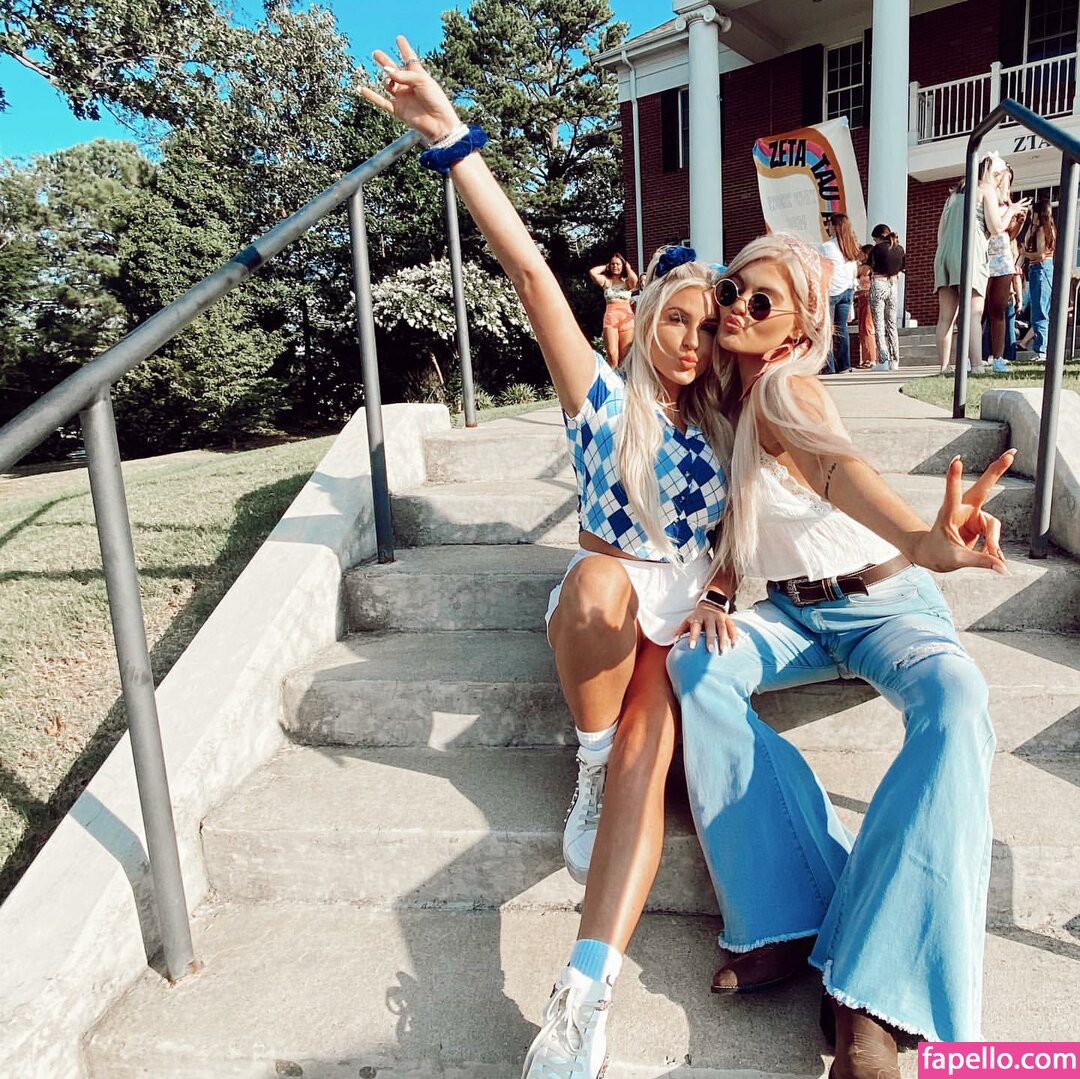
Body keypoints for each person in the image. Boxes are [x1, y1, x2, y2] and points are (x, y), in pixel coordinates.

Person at [361, 41, 736, 1079]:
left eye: (708, 328)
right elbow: (530, 272)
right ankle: (587, 756)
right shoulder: (602, 401)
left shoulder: (729, 422)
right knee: (600, 580)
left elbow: (752, 526)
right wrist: (451, 138)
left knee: (649, 762)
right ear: (645, 320)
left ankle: (584, 998)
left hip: (682, 620)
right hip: (608, 609)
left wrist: (725, 585)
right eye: (677, 319)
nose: (692, 340)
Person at [666, 232, 1015, 1079]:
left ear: (799, 327)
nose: (736, 308)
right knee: (697, 667)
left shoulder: (786, 387)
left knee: (959, 704)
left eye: (762, 301)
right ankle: (792, 913)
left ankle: (872, 993)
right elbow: (734, 515)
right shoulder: (722, 399)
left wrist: (919, 538)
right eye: (730, 290)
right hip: (794, 610)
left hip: (885, 600)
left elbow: (830, 466)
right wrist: (718, 591)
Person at [933, 180, 989, 375]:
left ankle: (944, 366)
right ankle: (977, 365)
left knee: (945, 317)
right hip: (967, 255)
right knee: (972, 313)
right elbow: (994, 227)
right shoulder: (981, 193)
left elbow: (940, 233)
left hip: (944, 256)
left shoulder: (951, 199)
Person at [981, 154, 1030, 373]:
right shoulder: (987, 197)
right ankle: (974, 355)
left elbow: (1008, 236)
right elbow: (993, 227)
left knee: (998, 309)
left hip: (1002, 259)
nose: (1006, 183)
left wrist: (1019, 222)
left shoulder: (1008, 203)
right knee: (979, 310)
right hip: (984, 256)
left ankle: (998, 357)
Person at [819, 213, 859, 374]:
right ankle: (844, 365)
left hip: (831, 291)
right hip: (847, 290)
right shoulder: (852, 247)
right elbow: (854, 270)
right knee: (842, 329)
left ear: (835, 226)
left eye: (829, 224)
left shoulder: (826, 247)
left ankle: (829, 367)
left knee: (827, 330)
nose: (827, 227)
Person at [1021, 198, 1056, 363]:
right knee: (1037, 310)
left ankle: (1041, 350)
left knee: (1040, 311)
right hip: (1038, 270)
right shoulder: (1039, 229)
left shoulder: (1043, 230)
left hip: (1041, 269)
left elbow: (1040, 254)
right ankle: (1040, 349)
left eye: (1033, 213)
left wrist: (1025, 254)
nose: (1031, 216)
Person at [589, 253, 638, 368]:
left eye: (618, 264)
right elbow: (593, 272)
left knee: (625, 357)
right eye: (613, 264)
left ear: (623, 265)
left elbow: (634, 280)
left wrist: (628, 267)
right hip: (611, 319)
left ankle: (623, 378)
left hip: (626, 319)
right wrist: (605, 266)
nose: (615, 266)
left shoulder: (627, 282)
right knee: (612, 354)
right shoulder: (606, 281)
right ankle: (612, 376)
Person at [867, 224, 905, 371]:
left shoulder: (876, 249)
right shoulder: (899, 248)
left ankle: (882, 360)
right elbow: (902, 268)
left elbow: (869, 267)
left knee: (879, 323)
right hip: (893, 285)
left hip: (879, 283)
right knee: (892, 323)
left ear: (878, 237)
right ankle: (894, 361)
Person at [854, 244, 877, 368]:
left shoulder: (866, 268)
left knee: (868, 327)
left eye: (861, 253)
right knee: (862, 328)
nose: (859, 255)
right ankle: (865, 358)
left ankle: (872, 358)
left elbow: (855, 272)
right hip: (861, 297)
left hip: (868, 297)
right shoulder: (864, 267)